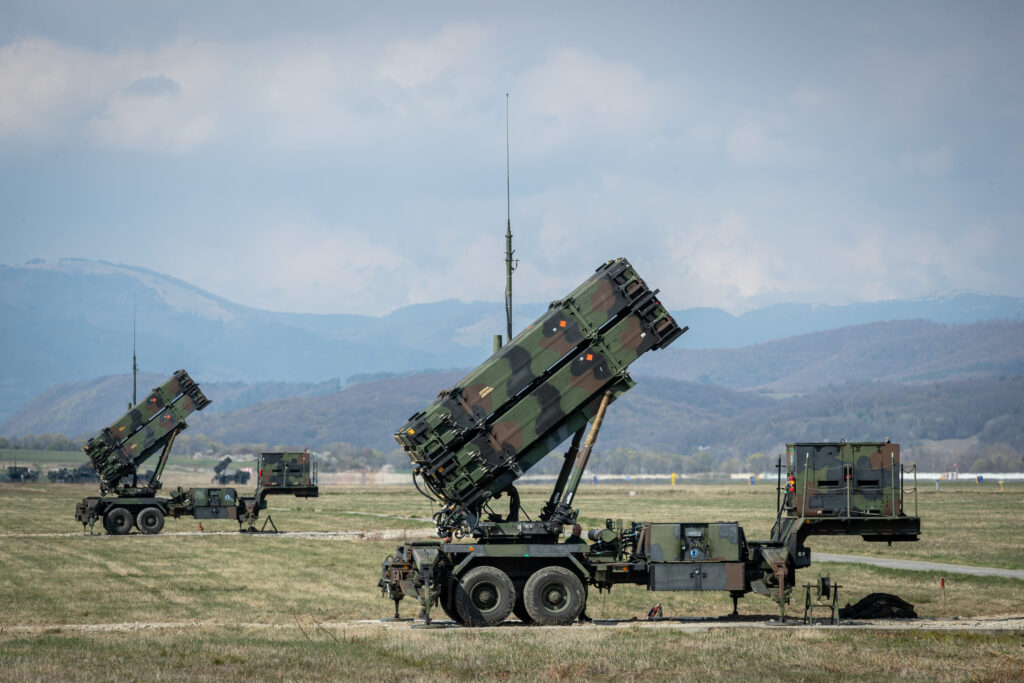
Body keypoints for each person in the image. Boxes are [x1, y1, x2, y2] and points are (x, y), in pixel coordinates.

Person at [564, 523, 592, 622]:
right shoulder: (569, 541)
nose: (579, 532)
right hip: (574, 570)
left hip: (581, 570)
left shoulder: (581, 541)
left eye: (580, 531)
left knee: (584, 593)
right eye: (578, 531)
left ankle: (582, 614)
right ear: (573, 531)